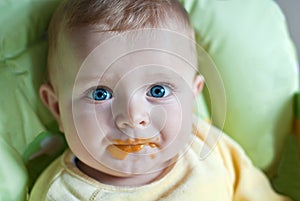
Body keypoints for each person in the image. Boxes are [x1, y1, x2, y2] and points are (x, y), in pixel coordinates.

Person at [29, 0, 291, 200]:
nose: (133, 117)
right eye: (101, 94)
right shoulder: (60, 193)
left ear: (192, 95)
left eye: (157, 91)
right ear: (57, 109)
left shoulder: (205, 144)